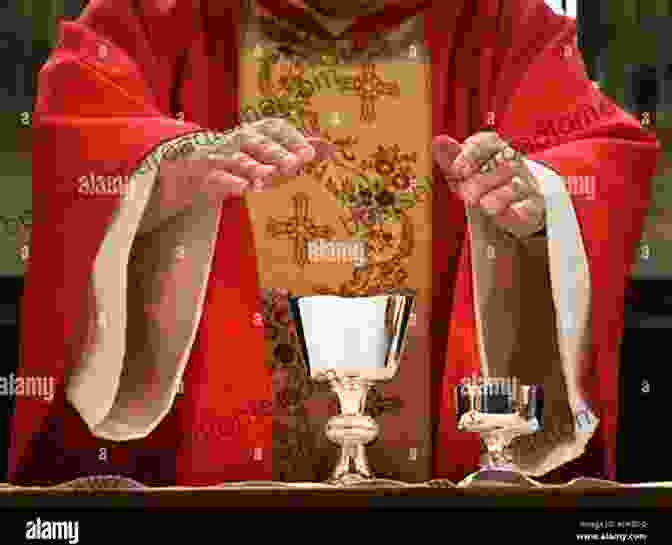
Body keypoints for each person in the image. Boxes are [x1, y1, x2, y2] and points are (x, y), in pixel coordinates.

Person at [9, 0, 660, 486]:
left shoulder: (499, 22)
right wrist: (165, 172)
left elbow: (598, 150)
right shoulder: (161, 13)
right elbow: (80, 112)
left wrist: (536, 199)